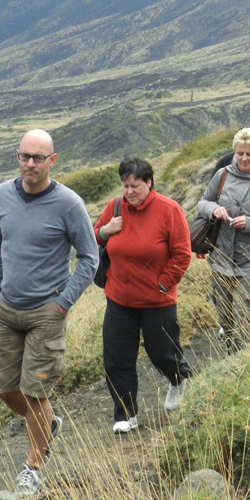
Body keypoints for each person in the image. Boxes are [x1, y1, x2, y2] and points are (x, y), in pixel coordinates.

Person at [0, 129, 99, 495]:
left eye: (38, 157)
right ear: (16, 156)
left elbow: (89, 258)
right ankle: (48, 424)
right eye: (24, 156)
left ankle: (33, 467)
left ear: (53, 160)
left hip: (45, 314)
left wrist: (63, 303)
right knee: (4, 388)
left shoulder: (69, 204)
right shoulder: (2, 194)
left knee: (35, 393)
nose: (30, 164)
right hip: (6, 309)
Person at [94, 156, 193, 434]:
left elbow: (182, 255)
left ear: (149, 183)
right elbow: (92, 238)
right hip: (119, 299)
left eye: (135, 186)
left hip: (156, 301)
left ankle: (178, 379)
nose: (129, 192)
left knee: (162, 352)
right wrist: (105, 230)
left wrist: (163, 284)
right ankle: (126, 415)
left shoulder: (168, 210)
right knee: (116, 358)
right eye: (125, 186)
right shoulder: (114, 207)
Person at [197, 128, 250, 352]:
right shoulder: (222, 175)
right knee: (224, 313)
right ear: (234, 153)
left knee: (243, 313)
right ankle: (231, 350)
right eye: (240, 153)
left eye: (249, 154)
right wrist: (214, 209)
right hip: (221, 257)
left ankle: (241, 361)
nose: (244, 158)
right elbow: (202, 202)